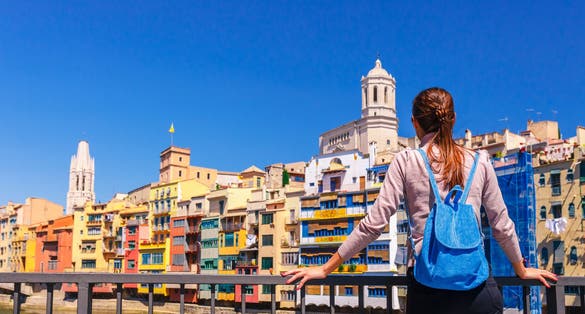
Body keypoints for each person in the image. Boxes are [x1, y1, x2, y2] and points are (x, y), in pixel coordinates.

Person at [283, 87, 557, 314]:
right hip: (478, 293)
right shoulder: (480, 161)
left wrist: (326, 268)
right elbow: (501, 225)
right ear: (453, 119)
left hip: (428, 292)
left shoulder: (407, 160)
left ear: (414, 122)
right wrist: (520, 269)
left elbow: (373, 224)